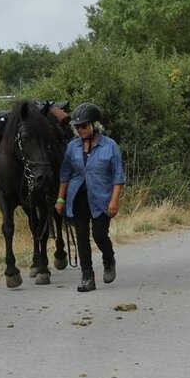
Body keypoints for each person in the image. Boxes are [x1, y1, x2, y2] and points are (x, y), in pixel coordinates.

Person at [55, 102, 125, 292]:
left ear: (94, 125)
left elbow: (118, 177)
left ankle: (108, 258)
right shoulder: (72, 147)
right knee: (82, 237)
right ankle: (87, 276)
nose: (80, 130)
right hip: (77, 198)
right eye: (77, 127)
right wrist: (60, 199)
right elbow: (65, 174)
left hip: (102, 198)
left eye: (84, 126)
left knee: (100, 234)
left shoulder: (110, 146)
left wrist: (114, 200)